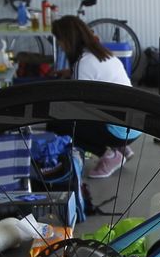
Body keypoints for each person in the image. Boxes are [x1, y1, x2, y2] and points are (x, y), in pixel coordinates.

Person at [51, 15, 134, 177]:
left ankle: (109, 156)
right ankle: (121, 148)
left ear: (67, 40)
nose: (59, 45)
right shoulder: (104, 54)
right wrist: (70, 73)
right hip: (134, 125)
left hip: (118, 131)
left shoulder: (83, 63)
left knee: (58, 124)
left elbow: (78, 106)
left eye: (59, 40)